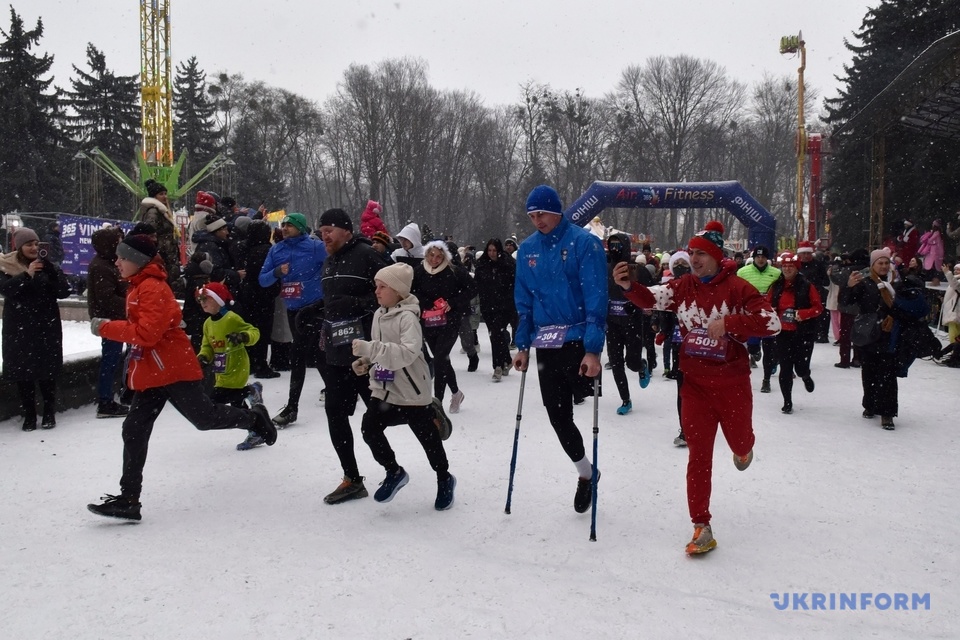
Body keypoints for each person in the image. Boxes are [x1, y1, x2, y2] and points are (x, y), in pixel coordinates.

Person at [614, 220, 781, 555]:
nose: (694, 259)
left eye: (701, 253)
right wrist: (628, 285)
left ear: (717, 256)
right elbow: (651, 297)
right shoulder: (684, 286)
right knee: (698, 454)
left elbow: (773, 323)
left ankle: (744, 447)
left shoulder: (738, 288)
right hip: (695, 386)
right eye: (691, 252)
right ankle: (701, 525)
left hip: (732, 385)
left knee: (740, 440)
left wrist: (730, 322)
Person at [86, 234, 277, 521]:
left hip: (173, 368)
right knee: (134, 429)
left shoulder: (152, 287)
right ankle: (129, 499)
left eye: (122, 257)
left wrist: (105, 327)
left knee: (204, 418)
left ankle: (254, 418)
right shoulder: (138, 285)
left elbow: (147, 334)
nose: (117, 262)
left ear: (138, 260)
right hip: (153, 372)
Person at [512, 185, 607, 514]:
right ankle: (586, 473)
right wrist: (522, 344)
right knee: (558, 417)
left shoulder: (584, 243)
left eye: (542, 213)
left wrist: (593, 349)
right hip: (546, 344)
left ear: (557, 211)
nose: (537, 220)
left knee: (584, 403)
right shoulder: (528, 249)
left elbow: (596, 296)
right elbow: (524, 302)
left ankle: (587, 470)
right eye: (532, 215)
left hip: (578, 339)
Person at [351, 262, 457, 510]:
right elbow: (381, 351)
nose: (376, 291)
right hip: (385, 388)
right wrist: (366, 362)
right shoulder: (379, 314)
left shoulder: (408, 317)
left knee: (428, 439)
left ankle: (444, 478)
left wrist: (371, 349)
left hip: (411, 390)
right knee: (369, 429)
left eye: (382, 287)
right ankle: (394, 471)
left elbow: (408, 353)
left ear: (398, 291)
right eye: (376, 286)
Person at [317, 208, 390, 504]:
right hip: (337, 354)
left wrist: (357, 304)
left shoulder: (366, 255)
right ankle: (352, 479)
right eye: (321, 231)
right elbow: (332, 302)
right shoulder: (328, 262)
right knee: (335, 414)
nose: (324, 236)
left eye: (329, 230)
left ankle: (425, 417)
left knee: (383, 412)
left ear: (346, 230)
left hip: (367, 353)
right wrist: (314, 313)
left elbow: (393, 293)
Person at [257, 213, 328, 425]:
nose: (285, 228)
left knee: (301, 354)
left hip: (314, 307)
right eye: (284, 225)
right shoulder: (276, 249)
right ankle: (337, 389)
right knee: (313, 354)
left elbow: (333, 264)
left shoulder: (315, 247)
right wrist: (277, 272)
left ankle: (293, 407)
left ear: (300, 227)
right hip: (293, 309)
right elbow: (262, 280)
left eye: (289, 225)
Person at [0, 227, 72, 430]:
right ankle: (29, 414)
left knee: (47, 372)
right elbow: (6, 290)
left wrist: (50, 271)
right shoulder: (6, 265)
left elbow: (64, 291)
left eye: (36, 244)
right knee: (23, 374)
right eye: (28, 244)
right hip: (19, 328)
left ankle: (49, 412)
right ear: (19, 247)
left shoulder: (48, 266)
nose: (33, 248)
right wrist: (27, 275)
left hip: (45, 327)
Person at [195, 281, 266, 451]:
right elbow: (207, 346)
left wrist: (243, 337)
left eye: (206, 298)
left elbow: (254, 332)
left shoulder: (231, 318)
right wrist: (203, 357)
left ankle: (249, 393)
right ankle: (255, 428)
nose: (202, 302)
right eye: (200, 299)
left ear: (219, 300)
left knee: (216, 401)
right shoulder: (207, 324)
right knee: (236, 406)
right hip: (220, 369)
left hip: (236, 365)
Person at [841, 248, 900, 429]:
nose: (883, 266)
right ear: (873, 265)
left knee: (888, 374)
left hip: (889, 334)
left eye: (886, 263)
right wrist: (849, 287)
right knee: (869, 372)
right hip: (869, 333)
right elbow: (846, 302)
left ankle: (887, 413)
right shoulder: (865, 283)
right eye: (880, 263)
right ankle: (870, 404)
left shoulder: (896, 282)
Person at [765, 252, 823, 414]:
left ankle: (805, 375)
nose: (787, 269)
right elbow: (766, 304)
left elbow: (818, 307)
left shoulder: (806, 285)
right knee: (785, 368)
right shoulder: (776, 285)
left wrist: (803, 314)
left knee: (800, 367)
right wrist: (771, 310)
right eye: (784, 266)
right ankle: (787, 401)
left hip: (803, 333)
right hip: (782, 333)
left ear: (797, 268)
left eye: (790, 266)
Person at [87, 227, 130, 418]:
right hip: (110, 320)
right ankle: (105, 401)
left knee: (113, 359)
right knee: (110, 360)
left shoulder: (108, 263)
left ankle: (110, 397)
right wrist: (131, 303)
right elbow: (107, 298)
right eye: (117, 241)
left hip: (113, 318)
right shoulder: (102, 266)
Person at [604, 233, 645, 416]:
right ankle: (625, 400)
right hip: (612, 322)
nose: (615, 249)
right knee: (616, 362)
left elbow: (650, 293)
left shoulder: (636, 269)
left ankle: (641, 366)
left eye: (618, 245)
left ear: (626, 247)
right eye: (612, 245)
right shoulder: (605, 268)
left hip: (632, 322)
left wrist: (636, 305)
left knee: (632, 363)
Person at [241, 220, 281, 379]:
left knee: (250, 327)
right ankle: (261, 365)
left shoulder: (243, 248)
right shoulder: (266, 250)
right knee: (262, 330)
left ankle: (250, 362)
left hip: (247, 294)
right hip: (263, 295)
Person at [737, 245, 781, 391]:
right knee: (753, 347)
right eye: (758, 257)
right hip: (751, 316)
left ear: (767, 259)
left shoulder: (776, 273)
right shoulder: (743, 272)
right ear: (754, 258)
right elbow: (737, 291)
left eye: (763, 257)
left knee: (769, 350)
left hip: (769, 315)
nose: (760, 260)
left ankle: (766, 380)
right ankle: (755, 351)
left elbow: (781, 292)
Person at [474, 238, 516, 380]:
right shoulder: (482, 265)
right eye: (490, 250)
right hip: (488, 306)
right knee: (496, 334)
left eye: (494, 250)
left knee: (496, 333)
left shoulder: (508, 264)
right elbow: (477, 284)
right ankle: (507, 360)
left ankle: (497, 366)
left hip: (504, 306)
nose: (492, 253)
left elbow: (514, 284)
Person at [138, 180, 181, 282]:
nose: (165, 196)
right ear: (154, 196)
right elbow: (149, 231)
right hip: (163, 253)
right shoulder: (154, 212)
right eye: (161, 194)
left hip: (166, 252)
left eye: (165, 193)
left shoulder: (161, 211)